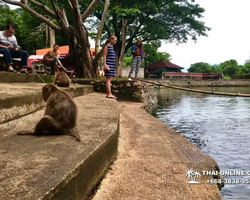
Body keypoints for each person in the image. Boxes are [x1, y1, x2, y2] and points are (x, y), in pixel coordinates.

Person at [103, 35, 117, 99]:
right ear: (111, 40)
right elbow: (104, 56)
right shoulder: (107, 47)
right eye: (114, 40)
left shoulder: (112, 47)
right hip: (109, 64)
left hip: (112, 64)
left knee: (110, 79)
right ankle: (109, 94)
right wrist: (105, 65)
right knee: (108, 79)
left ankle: (109, 93)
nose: (115, 42)